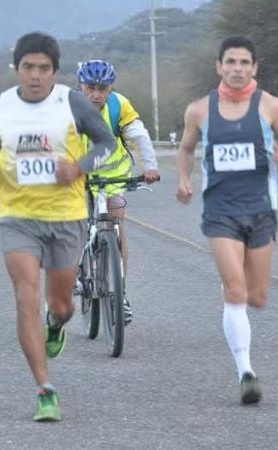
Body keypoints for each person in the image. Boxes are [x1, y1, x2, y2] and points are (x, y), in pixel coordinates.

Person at [0, 31, 118, 422]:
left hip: (66, 217)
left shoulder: (71, 101)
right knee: (25, 297)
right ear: (16, 68)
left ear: (55, 70)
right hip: (17, 217)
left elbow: (106, 144)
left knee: (61, 305)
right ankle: (45, 389)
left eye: (44, 68)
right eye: (28, 68)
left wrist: (79, 167)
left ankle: (58, 324)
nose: (35, 76)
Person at [175, 36, 278, 405]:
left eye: (244, 63)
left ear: (254, 67)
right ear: (218, 66)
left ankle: (236, 298)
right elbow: (185, 148)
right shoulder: (199, 110)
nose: (236, 69)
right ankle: (245, 372)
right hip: (220, 211)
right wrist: (184, 179)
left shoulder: (271, 106)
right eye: (230, 62)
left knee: (257, 296)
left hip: (262, 209)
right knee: (235, 291)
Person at [77, 59, 160, 325]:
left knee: (115, 225)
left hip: (113, 175)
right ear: (82, 86)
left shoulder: (119, 105)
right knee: (71, 222)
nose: (96, 94)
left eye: (103, 88)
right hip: (76, 174)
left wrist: (150, 165)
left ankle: (119, 292)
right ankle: (76, 272)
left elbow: (139, 135)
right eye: (90, 87)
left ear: (110, 88)